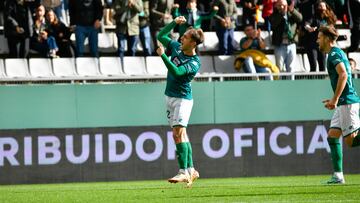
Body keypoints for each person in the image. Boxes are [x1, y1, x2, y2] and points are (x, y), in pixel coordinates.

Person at [156, 16, 204, 187]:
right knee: (180, 135)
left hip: (183, 100)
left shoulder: (194, 63)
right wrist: (174, 23)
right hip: (169, 96)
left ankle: (183, 171)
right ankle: (191, 169)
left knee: (178, 134)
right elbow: (161, 35)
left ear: (193, 43)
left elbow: (176, 72)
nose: (181, 38)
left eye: (185, 37)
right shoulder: (176, 47)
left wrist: (163, 56)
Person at [317, 25, 360, 184]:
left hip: (346, 103)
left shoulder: (334, 54)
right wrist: (334, 99)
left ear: (327, 39)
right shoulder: (337, 53)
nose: (317, 40)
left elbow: (343, 74)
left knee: (350, 141)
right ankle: (338, 176)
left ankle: (338, 176)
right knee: (332, 136)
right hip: (343, 102)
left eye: (320, 37)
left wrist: (334, 100)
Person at [302, 0, 336, 72]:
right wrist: (309, 28)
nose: (322, 8)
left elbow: (332, 27)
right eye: (320, 6)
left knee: (323, 66)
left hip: (322, 45)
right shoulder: (313, 17)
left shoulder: (328, 18)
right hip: (312, 44)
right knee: (313, 66)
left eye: (323, 6)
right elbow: (306, 24)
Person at [269, 0, 302, 72]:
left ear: (287, 5)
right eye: (279, 5)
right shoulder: (274, 15)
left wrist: (292, 11)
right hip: (279, 45)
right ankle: (279, 83)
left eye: (283, 5)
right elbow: (274, 23)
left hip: (291, 44)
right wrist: (282, 14)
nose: (282, 7)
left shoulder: (292, 13)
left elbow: (300, 19)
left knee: (291, 68)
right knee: (279, 68)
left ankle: (290, 83)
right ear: (276, 6)